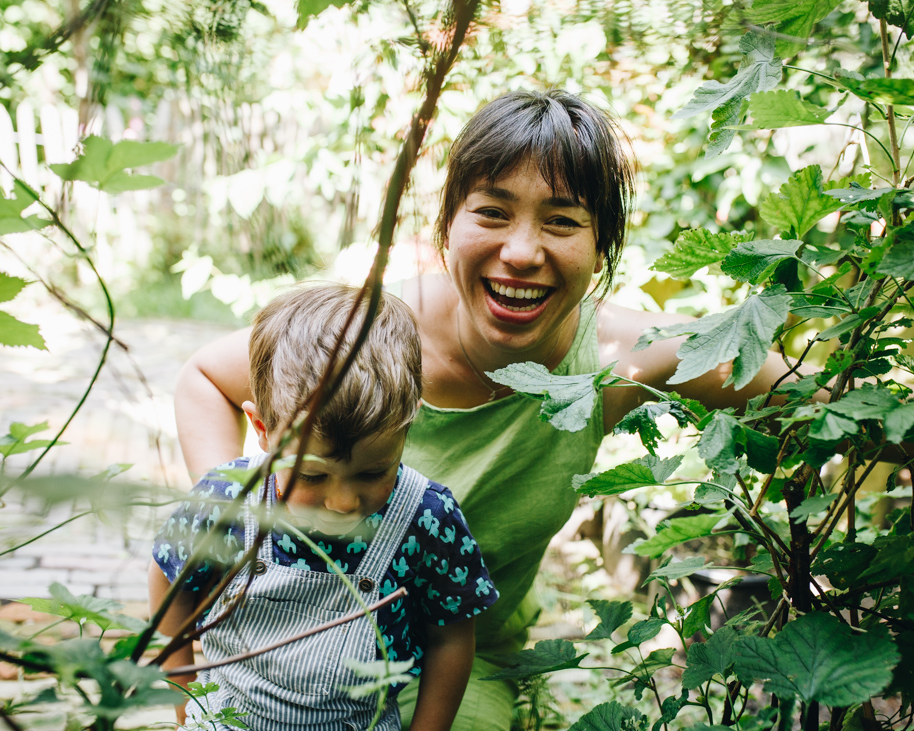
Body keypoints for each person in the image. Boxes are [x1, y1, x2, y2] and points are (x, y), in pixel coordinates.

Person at [172, 89, 789, 730]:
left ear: (601, 245)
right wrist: (235, 542)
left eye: (562, 221)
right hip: (282, 646)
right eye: (492, 212)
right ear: (448, 227)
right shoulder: (370, 339)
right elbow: (204, 379)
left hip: (456, 660)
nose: (522, 252)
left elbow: (809, 395)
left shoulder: (619, 360)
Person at [150, 283, 498, 731]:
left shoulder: (427, 519)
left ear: (409, 424)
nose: (342, 502)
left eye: (373, 473)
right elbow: (169, 579)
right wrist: (184, 699)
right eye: (311, 476)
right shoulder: (227, 498)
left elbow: (450, 637)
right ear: (261, 428)